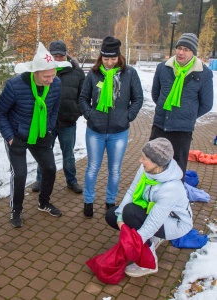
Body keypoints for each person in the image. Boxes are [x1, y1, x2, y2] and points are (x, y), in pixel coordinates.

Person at [0, 42, 71, 228]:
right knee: (20, 174)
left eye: (53, 75)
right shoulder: (14, 86)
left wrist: (49, 128)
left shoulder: (56, 84)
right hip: (17, 135)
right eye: (46, 76)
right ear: (34, 73)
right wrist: (9, 136)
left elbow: (53, 109)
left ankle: (44, 202)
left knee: (50, 169)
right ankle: (16, 209)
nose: (51, 80)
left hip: (41, 134)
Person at [105, 138, 193, 277]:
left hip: (176, 223)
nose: (140, 160)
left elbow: (153, 223)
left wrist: (133, 243)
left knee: (131, 213)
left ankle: (149, 262)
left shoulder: (171, 188)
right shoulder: (146, 169)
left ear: (156, 163)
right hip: (155, 213)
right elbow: (132, 190)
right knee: (112, 215)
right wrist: (120, 218)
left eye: (144, 158)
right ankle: (151, 238)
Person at [79, 36, 143, 218]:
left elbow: (138, 98)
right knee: (92, 167)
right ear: (101, 57)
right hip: (95, 131)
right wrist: (90, 114)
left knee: (114, 169)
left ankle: (110, 201)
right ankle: (88, 201)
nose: (108, 63)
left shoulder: (129, 73)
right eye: (106, 59)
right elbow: (83, 98)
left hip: (119, 132)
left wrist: (127, 116)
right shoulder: (93, 74)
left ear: (119, 57)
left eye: (112, 59)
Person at [150, 33, 213, 180]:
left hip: (182, 130)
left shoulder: (204, 74)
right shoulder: (163, 68)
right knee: (153, 163)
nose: (180, 52)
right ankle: (151, 198)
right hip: (160, 125)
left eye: (186, 49)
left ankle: (174, 200)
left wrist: (188, 115)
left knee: (177, 168)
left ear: (193, 53)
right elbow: (156, 94)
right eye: (179, 48)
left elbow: (207, 104)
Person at [32, 40, 85, 194]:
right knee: (44, 152)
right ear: (49, 56)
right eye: (55, 56)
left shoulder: (77, 72)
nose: (58, 59)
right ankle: (40, 180)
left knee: (68, 154)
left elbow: (83, 95)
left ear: (66, 55)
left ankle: (71, 181)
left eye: (61, 56)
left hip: (68, 121)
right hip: (47, 122)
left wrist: (77, 111)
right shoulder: (42, 70)